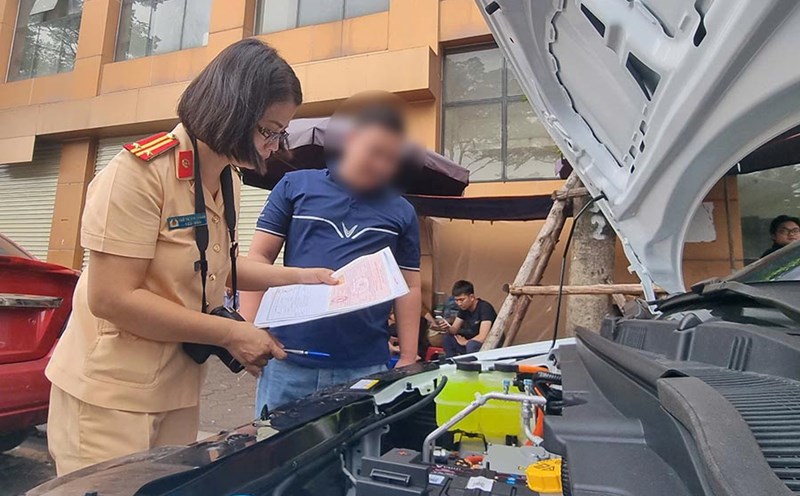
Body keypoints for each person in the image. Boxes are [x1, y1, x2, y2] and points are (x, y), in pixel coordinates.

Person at [43, 40, 337, 476]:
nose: (274, 146)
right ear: (231, 109)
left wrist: (302, 276)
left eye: (280, 134)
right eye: (267, 131)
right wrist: (230, 333)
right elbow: (111, 297)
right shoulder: (139, 173)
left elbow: (217, 268)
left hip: (177, 390)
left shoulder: (228, 179)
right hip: (110, 395)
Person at [241, 104, 421, 413]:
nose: (380, 164)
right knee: (273, 452)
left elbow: (410, 285)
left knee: (354, 457)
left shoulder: (401, 210)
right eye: (374, 151)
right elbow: (259, 257)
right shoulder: (295, 186)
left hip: (365, 367)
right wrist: (248, 330)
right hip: (289, 360)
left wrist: (408, 356)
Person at [443, 280, 497, 357]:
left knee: (471, 345)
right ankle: (451, 363)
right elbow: (454, 329)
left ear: (471, 297)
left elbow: (483, 337)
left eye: (462, 300)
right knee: (447, 338)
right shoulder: (464, 309)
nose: (459, 303)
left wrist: (465, 342)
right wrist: (447, 327)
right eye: (456, 300)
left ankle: (471, 367)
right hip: (471, 341)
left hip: (487, 344)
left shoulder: (485, 308)